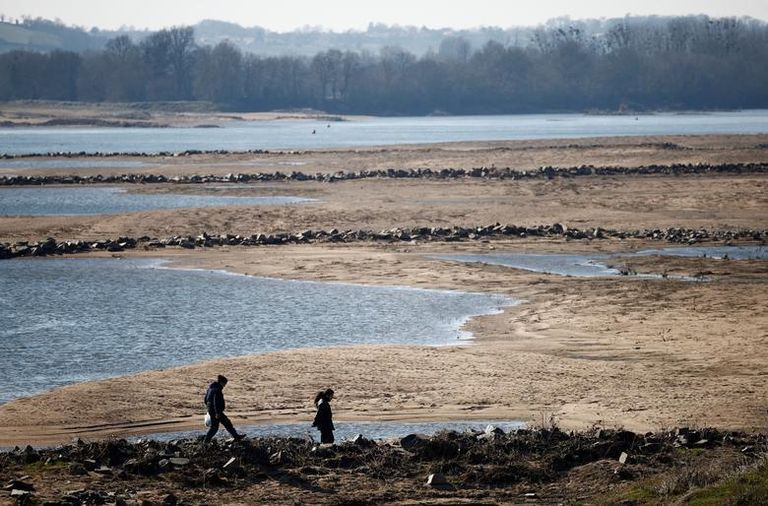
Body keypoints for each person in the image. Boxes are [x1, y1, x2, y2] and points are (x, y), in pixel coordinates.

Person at [203, 375, 246, 443]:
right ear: (221, 382)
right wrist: (217, 412)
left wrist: (209, 408)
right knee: (216, 427)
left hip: (212, 409)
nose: (225, 385)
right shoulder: (217, 390)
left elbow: (205, 399)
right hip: (216, 411)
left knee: (225, 423)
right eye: (225, 383)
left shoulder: (211, 388)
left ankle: (236, 436)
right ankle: (206, 441)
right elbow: (216, 401)